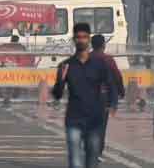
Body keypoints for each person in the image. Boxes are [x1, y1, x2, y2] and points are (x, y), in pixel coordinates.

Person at [51, 24, 119, 168]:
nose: (81, 40)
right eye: (78, 37)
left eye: (84, 37)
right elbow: (57, 95)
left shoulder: (99, 64)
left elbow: (111, 84)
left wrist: (113, 103)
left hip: (94, 119)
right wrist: (61, 80)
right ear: (74, 40)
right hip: (74, 119)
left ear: (88, 40)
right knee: (75, 161)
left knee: (92, 160)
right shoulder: (66, 65)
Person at [88, 33, 124, 161]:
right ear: (104, 45)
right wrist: (121, 91)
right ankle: (97, 151)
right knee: (101, 125)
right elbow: (117, 76)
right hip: (103, 97)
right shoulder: (108, 59)